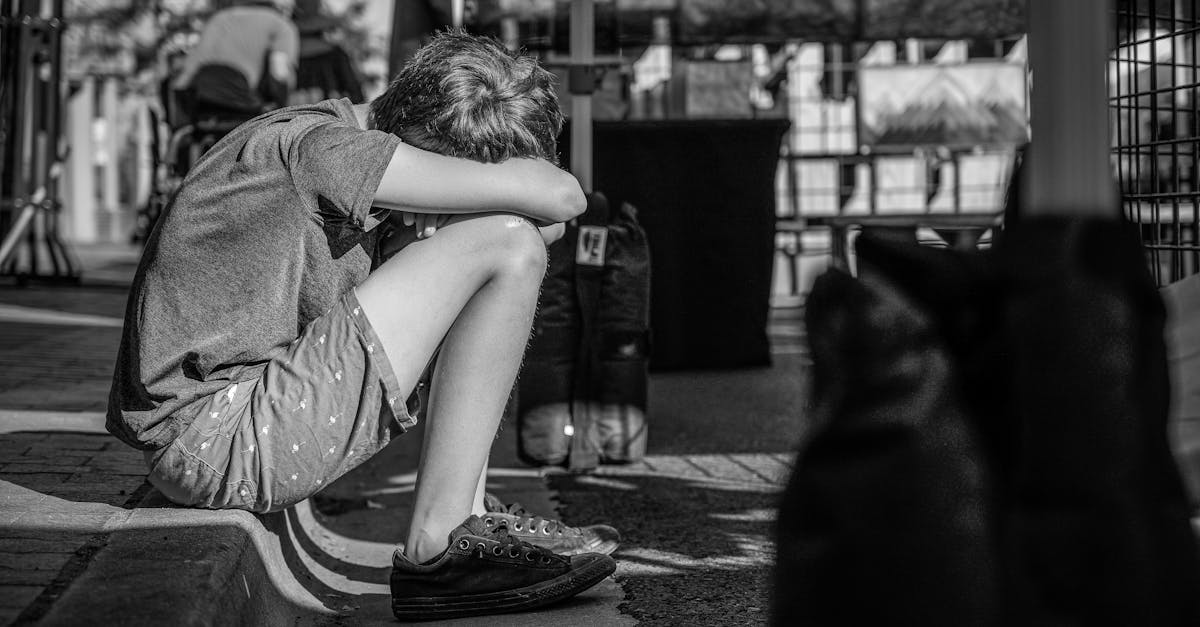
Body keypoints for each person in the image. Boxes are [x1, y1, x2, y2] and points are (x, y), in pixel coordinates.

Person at [107, 30, 619, 620]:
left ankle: (466, 516)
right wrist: (483, 217)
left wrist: (462, 212)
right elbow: (562, 198)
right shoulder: (329, 152)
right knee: (507, 247)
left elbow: (547, 220)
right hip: (216, 442)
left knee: (506, 243)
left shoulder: (330, 134)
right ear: (429, 156)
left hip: (221, 427)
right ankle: (441, 542)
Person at [172, 0, 300, 126]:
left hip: (192, 92)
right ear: (284, 8)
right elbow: (279, 73)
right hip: (235, 95)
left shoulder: (220, 17)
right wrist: (283, 110)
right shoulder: (281, 24)